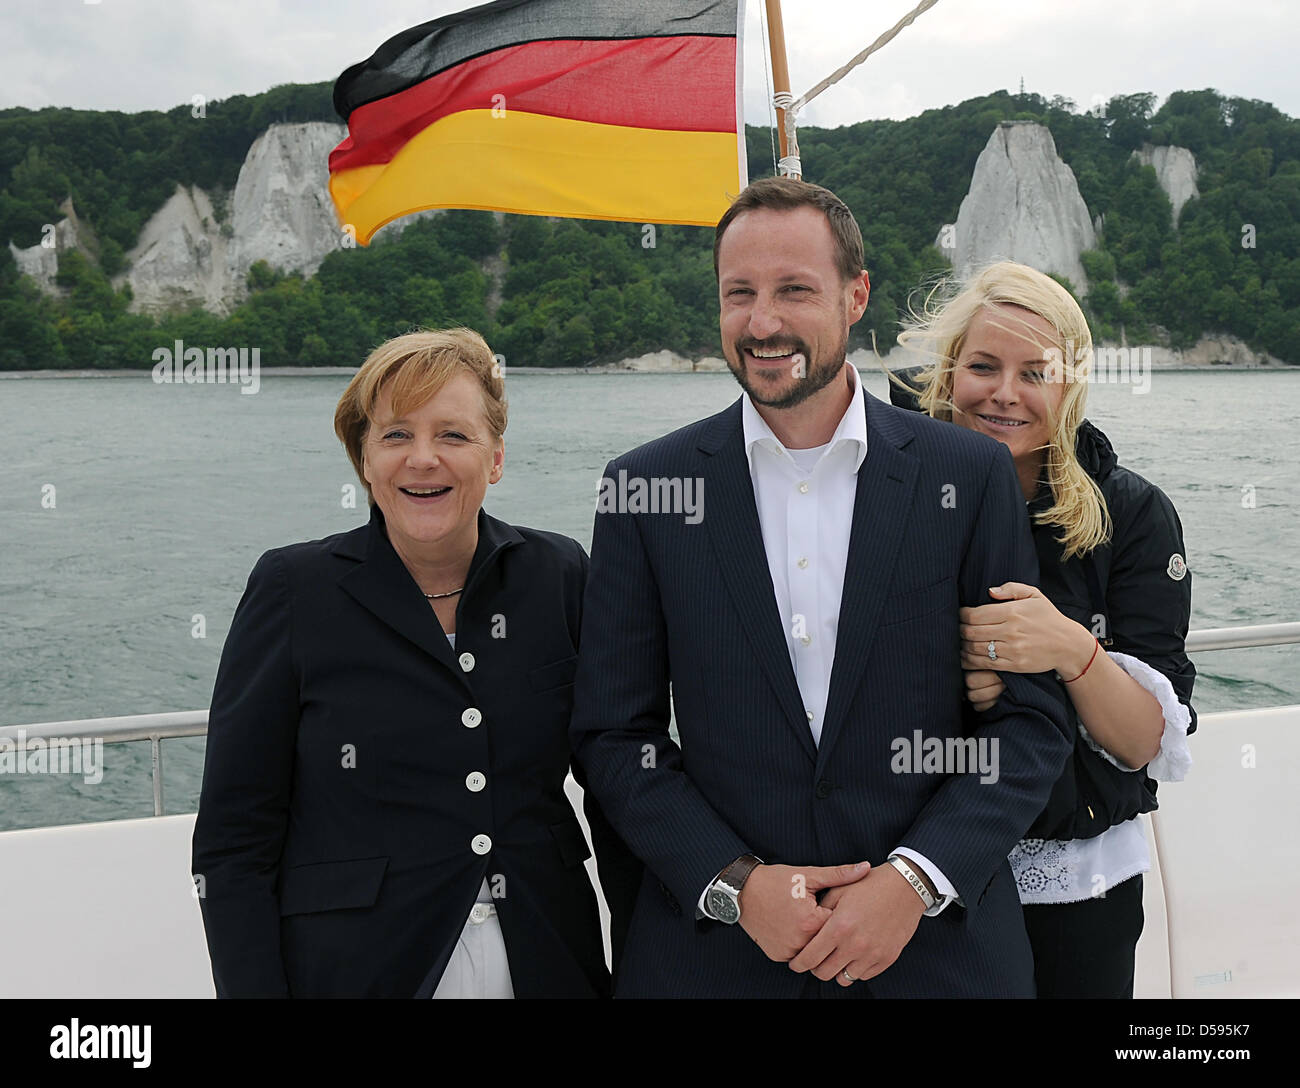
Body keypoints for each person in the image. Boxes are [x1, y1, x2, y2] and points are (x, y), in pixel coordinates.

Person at [570, 177, 1072, 998]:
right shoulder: (642, 488)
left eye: (794, 290)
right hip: (720, 959)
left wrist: (913, 880)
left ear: (855, 296)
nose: (763, 323)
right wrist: (737, 886)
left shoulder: (967, 473)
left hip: (938, 956)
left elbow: (1028, 722)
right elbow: (613, 738)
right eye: (741, 294)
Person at [191, 328, 637, 998]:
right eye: (396, 435)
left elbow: (616, 788)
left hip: (551, 959)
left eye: (453, 436)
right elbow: (234, 841)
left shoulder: (559, 573)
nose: (422, 459)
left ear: (495, 459)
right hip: (358, 971)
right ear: (364, 460)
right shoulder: (294, 589)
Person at [889, 260, 1196, 998]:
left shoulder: (1132, 516)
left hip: (1073, 885)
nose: (1004, 392)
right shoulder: (887, 496)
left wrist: (1069, 649)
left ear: (1071, 386)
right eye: (983, 366)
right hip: (909, 869)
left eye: (1036, 371)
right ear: (947, 372)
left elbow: (1145, 741)